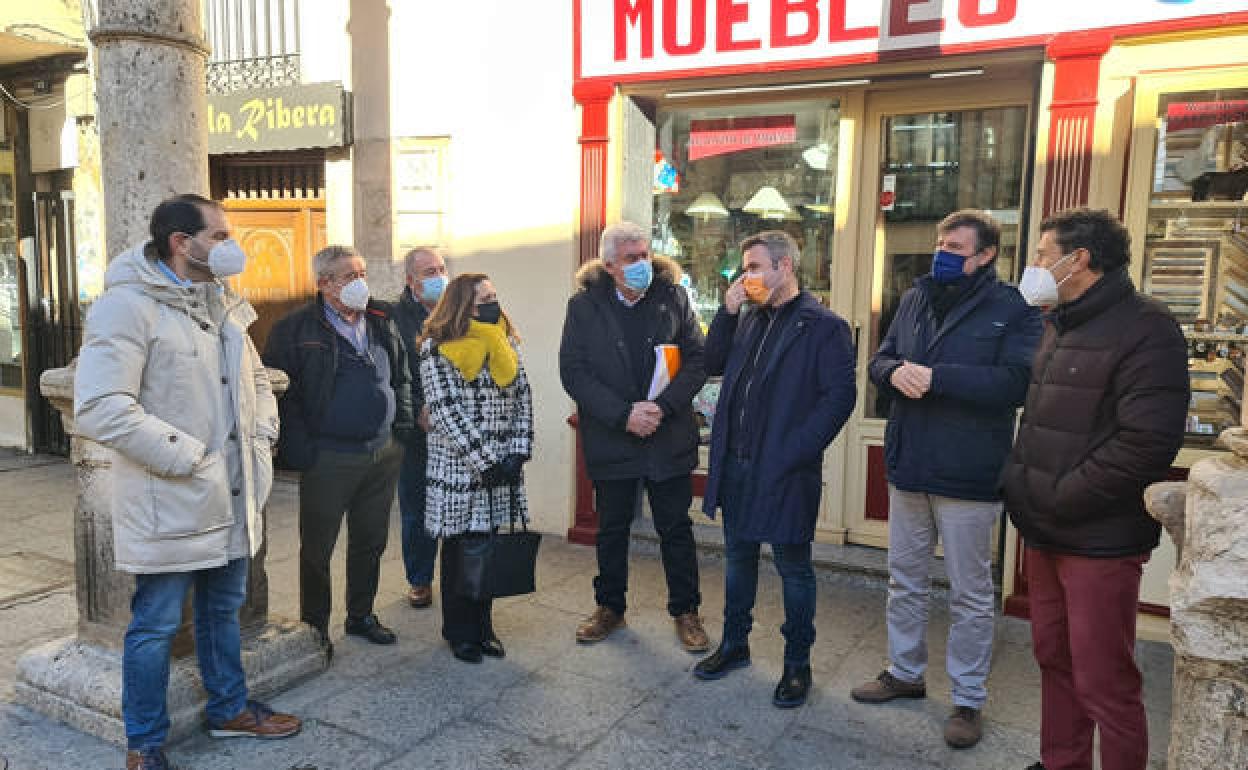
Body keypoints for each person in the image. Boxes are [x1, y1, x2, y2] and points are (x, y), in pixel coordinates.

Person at [75, 194, 300, 770]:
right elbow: (100, 406)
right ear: (182, 242)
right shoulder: (126, 307)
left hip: (232, 493)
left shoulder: (222, 302)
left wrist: (261, 437)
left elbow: (253, 378)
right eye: (220, 236)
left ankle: (228, 710)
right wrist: (189, 458)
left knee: (223, 611)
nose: (231, 246)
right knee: (154, 625)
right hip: (172, 495)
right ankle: (144, 743)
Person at [1002, 208, 1188, 770]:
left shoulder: (1148, 328)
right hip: (1043, 527)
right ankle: (1061, 761)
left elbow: (1145, 445)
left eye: (1041, 254)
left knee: (1105, 677)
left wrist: (1058, 496)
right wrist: (1019, 486)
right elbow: (1038, 423)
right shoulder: (1058, 322)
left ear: (1077, 260)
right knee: (1053, 657)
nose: (1033, 266)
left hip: (1100, 539)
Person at [852, 210, 1042, 749]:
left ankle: (967, 699)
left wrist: (937, 379)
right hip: (910, 463)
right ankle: (905, 673)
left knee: (970, 594)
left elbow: (1017, 383)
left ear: (985, 255)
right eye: (941, 241)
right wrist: (892, 373)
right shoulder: (915, 297)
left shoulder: (1014, 308)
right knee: (905, 580)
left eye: (955, 245)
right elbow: (880, 359)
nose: (942, 251)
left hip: (969, 473)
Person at [694, 230, 856, 708]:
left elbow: (839, 398)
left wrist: (796, 451)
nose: (748, 278)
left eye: (755, 267)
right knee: (738, 559)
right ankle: (734, 644)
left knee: (793, 569)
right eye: (745, 269)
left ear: (785, 267)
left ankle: (796, 664)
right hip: (737, 465)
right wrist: (725, 313)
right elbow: (714, 362)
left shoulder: (823, 325)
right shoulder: (747, 319)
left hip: (785, 469)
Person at [559, 221, 710, 652]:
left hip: (666, 433)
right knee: (612, 528)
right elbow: (574, 371)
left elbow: (697, 360)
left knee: (675, 528)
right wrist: (623, 415)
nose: (643, 264)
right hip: (614, 435)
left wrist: (660, 409)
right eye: (631, 258)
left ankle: (686, 611)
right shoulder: (584, 306)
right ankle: (610, 607)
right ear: (609, 266)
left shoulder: (674, 298)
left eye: (645, 255)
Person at [263, 245, 415, 648]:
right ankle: (314, 629)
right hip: (328, 456)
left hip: (383, 452)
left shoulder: (382, 317)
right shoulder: (295, 329)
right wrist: (302, 449)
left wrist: (401, 430)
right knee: (317, 548)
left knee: (371, 539)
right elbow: (276, 393)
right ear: (324, 284)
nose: (360, 282)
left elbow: (402, 375)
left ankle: (361, 615)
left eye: (362, 273)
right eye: (349, 276)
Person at [419, 273, 533, 663]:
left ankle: (484, 628)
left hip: (502, 466)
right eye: (484, 297)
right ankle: (459, 630)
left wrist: (517, 452)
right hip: (459, 467)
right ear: (462, 304)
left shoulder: (506, 340)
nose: (492, 303)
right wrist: (485, 461)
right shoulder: (437, 348)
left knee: (489, 548)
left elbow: (524, 398)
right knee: (459, 551)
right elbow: (445, 411)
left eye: (495, 295)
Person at [392, 245, 450, 609]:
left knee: (458, 503)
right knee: (416, 507)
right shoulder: (395, 318)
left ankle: (461, 575)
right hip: (418, 430)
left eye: (442, 268)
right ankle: (420, 579)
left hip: (457, 427)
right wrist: (415, 410)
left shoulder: (459, 311)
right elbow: (395, 372)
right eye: (429, 271)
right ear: (411, 280)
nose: (438, 276)